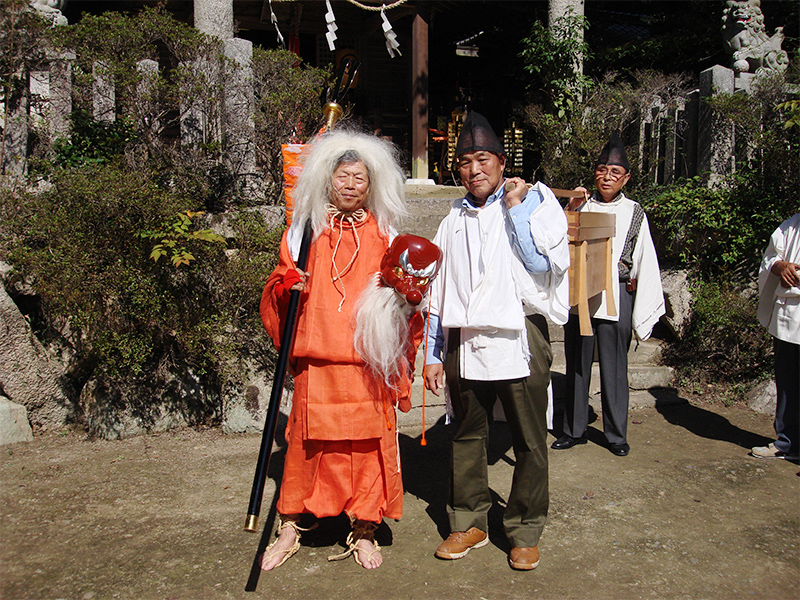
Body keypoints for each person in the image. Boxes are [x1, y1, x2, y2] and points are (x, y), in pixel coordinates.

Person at [259, 130, 436, 571]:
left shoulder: (386, 234)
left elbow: (407, 304)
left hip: (366, 365)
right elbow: (279, 284)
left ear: (372, 184)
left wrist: (408, 298)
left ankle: (365, 528)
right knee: (304, 448)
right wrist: (287, 286)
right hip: (317, 363)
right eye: (343, 176)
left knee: (367, 449)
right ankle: (290, 524)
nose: (351, 185)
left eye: (359, 177)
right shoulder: (304, 232)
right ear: (327, 179)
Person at [424, 111, 570, 571]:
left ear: (502, 161)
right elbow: (438, 286)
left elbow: (541, 263)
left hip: (519, 335)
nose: (474, 170)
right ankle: (469, 521)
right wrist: (432, 353)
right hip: (465, 337)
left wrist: (516, 205)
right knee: (467, 434)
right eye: (465, 162)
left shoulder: (535, 200)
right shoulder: (453, 217)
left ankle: (524, 529)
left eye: (483, 159)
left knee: (529, 438)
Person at [552, 133, 665, 457]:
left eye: (615, 172)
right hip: (581, 296)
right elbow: (557, 241)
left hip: (617, 296)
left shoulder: (634, 211)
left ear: (626, 178)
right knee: (577, 362)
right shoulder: (581, 204)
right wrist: (570, 209)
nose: (607, 177)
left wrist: (641, 306)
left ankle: (616, 434)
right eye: (602, 170)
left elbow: (645, 259)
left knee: (615, 367)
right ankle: (573, 429)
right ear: (595, 173)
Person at [753, 213, 800, 461]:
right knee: (788, 382)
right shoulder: (791, 225)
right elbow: (770, 257)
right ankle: (788, 443)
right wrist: (780, 266)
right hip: (789, 315)